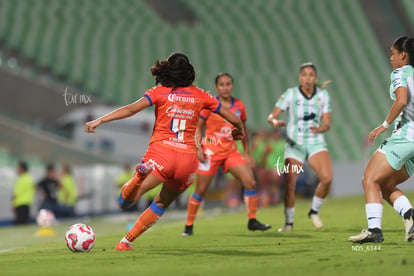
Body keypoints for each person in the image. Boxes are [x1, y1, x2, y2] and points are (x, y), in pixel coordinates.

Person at [84, 53, 245, 251]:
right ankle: (125, 242)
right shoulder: (203, 95)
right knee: (161, 203)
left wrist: (100, 120)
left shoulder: (159, 92)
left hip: (161, 154)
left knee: (126, 201)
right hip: (187, 160)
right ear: (190, 73)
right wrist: (239, 132)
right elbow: (235, 119)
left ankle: (137, 178)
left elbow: (131, 109)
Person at [182, 73, 271, 236]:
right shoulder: (209, 104)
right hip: (210, 152)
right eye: (222, 84)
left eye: (228, 84)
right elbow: (197, 127)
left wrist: (248, 154)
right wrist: (198, 148)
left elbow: (243, 130)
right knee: (201, 190)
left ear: (232, 86)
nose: (225, 87)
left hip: (231, 151)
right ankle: (188, 226)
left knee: (250, 182)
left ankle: (252, 220)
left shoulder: (239, 106)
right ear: (217, 87)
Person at [349, 36, 414, 243]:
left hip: (408, 135)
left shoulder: (400, 73)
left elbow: (402, 100)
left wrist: (384, 125)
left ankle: (374, 231)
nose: (390, 58)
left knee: (369, 178)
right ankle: (410, 217)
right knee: (384, 183)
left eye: (393, 53)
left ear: (403, 55)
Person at [267, 62, 332, 231]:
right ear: (300, 77)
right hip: (295, 144)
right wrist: (275, 121)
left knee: (327, 178)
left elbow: (327, 123)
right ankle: (288, 223)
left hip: (315, 142)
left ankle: (314, 211)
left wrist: (320, 128)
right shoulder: (290, 94)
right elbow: (272, 116)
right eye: (304, 75)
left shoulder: (323, 95)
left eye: (311, 75)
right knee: (290, 183)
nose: (308, 78)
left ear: (315, 78)